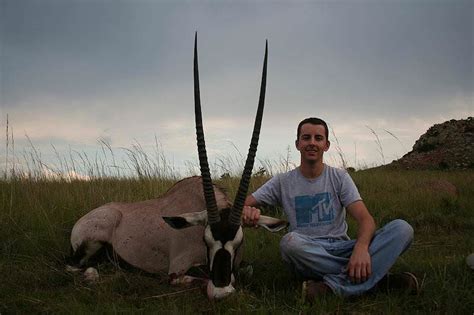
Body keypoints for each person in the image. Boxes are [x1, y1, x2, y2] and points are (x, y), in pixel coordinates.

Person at [242, 117, 418, 302]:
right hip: (309, 252)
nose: (312, 143)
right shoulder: (282, 181)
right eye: (306, 138)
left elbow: (366, 220)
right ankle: (374, 278)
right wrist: (247, 211)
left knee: (402, 229)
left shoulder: (339, 177)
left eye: (318, 138)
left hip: (342, 247)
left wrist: (361, 247)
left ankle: (332, 286)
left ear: (326, 145)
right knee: (289, 243)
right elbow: (242, 205)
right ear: (297, 144)